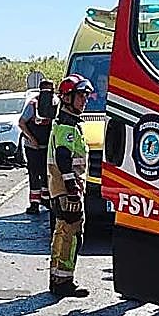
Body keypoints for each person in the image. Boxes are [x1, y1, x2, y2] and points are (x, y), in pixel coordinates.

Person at [47, 74, 93, 298]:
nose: (85, 100)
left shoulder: (67, 122)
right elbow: (63, 156)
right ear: (67, 98)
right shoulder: (67, 126)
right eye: (81, 96)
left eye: (86, 96)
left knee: (61, 231)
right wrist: (72, 186)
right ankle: (64, 282)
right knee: (72, 234)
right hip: (67, 190)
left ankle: (57, 278)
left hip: (61, 189)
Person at [18, 79, 55, 214]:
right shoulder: (33, 104)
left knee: (47, 174)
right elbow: (21, 122)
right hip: (32, 147)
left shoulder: (55, 103)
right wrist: (31, 138)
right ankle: (34, 203)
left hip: (48, 147)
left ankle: (46, 199)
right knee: (34, 174)